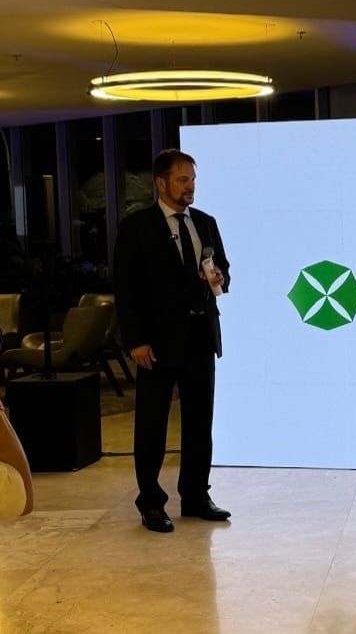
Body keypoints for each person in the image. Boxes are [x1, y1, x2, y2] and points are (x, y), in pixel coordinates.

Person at [113, 149, 231, 534]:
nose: (190, 187)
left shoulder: (206, 223)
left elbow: (224, 270)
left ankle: (195, 496)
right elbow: (126, 290)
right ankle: (151, 502)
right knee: (152, 424)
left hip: (201, 337)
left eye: (193, 179)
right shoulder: (137, 227)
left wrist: (218, 278)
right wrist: (135, 340)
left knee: (199, 421)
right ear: (161, 183)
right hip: (157, 343)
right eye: (182, 180)